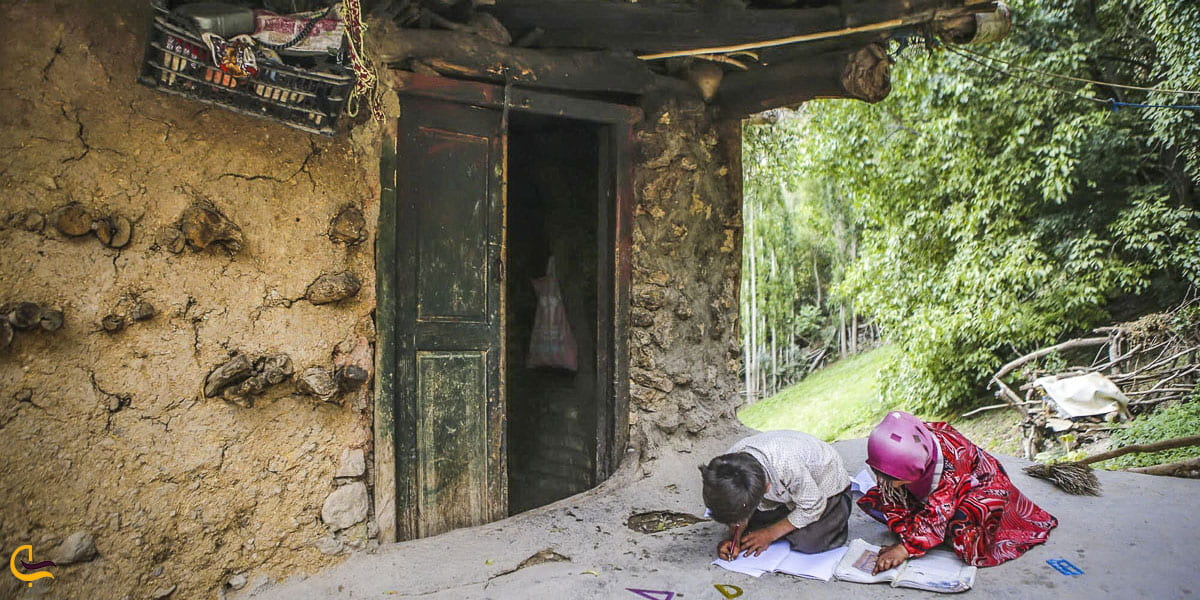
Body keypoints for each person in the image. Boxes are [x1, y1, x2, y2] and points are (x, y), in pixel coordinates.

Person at [858, 411, 1058, 573]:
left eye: (896, 479)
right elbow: (892, 482)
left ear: (920, 465)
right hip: (939, 492)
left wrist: (904, 549)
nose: (889, 483)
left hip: (978, 488)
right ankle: (926, 533)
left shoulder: (952, 462)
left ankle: (937, 535)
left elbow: (940, 510)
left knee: (968, 516)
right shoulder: (907, 447)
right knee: (882, 498)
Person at [701, 430, 852, 560]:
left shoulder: (787, 466)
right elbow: (737, 509)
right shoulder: (726, 466)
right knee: (748, 532)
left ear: (767, 489)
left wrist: (769, 534)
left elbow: (813, 506)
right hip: (786, 495)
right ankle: (786, 521)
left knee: (809, 542)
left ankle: (834, 520)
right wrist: (735, 537)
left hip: (826, 491)